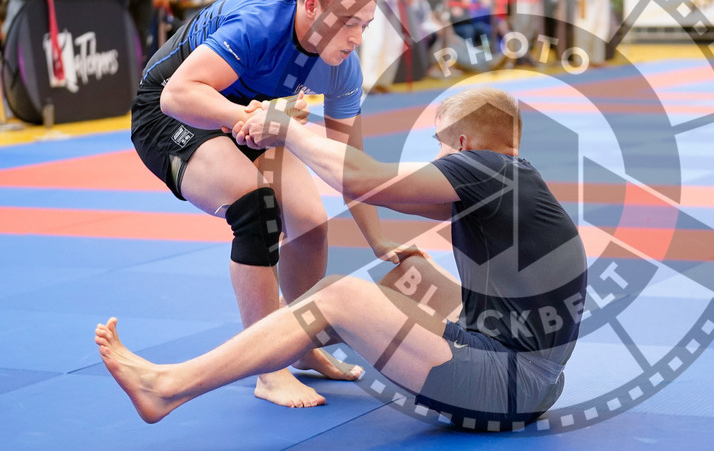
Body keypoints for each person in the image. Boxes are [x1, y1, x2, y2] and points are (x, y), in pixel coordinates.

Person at [97, 86, 586, 430]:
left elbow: (364, 181)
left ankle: (168, 386)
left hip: (506, 386)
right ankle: (303, 347)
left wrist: (288, 131)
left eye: (436, 142)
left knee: (339, 294)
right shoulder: (514, 181)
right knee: (408, 276)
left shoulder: (485, 168)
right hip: (532, 378)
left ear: (461, 144)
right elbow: (382, 195)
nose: (436, 154)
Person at [130, 0, 413, 409]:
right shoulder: (259, 26)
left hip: (250, 113)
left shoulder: (342, 66)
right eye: (347, 22)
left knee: (311, 224)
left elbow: (349, 162)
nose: (357, 38)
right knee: (255, 208)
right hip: (170, 111)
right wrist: (250, 117)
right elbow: (176, 95)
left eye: (365, 23)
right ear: (312, 7)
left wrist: (379, 241)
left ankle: (299, 346)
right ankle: (269, 369)